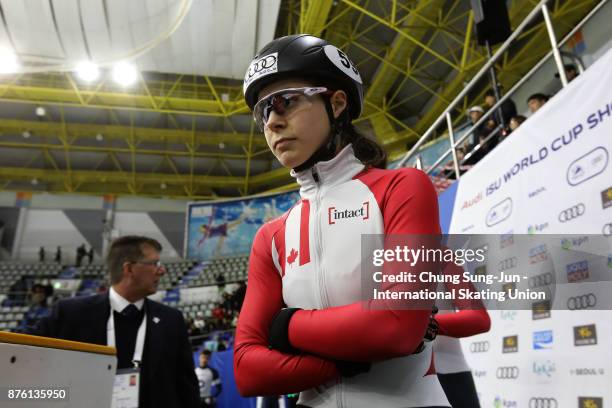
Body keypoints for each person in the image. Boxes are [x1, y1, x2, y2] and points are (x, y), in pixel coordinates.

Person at [234, 34, 449, 407]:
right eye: (263, 111)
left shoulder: (403, 188)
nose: (272, 121)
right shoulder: (270, 236)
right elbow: (247, 370)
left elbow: (397, 327)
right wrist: (340, 362)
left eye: (284, 101)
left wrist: (286, 326)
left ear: (336, 103)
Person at [29, 235, 200, 408]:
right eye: (154, 263)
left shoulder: (171, 320)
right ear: (129, 269)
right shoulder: (71, 314)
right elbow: (21, 357)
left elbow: (187, 389)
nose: (162, 271)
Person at [433, 261, 491, 408]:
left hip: (449, 374)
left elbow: (479, 318)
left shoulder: (441, 256)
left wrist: (420, 325)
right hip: (386, 377)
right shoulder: (374, 252)